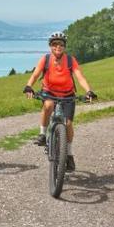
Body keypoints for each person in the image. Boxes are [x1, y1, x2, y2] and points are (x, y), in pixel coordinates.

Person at [23, 31, 96, 172]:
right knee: (48, 105)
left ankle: (68, 154)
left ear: (64, 46)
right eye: (55, 44)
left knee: (68, 124)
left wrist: (88, 91)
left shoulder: (70, 60)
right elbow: (36, 73)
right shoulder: (45, 59)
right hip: (49, 92)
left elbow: (80, 77)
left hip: (68, 95)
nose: (58, 47)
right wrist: (29, 86)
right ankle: (43, 134)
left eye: (61, 44)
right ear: (50, 46)